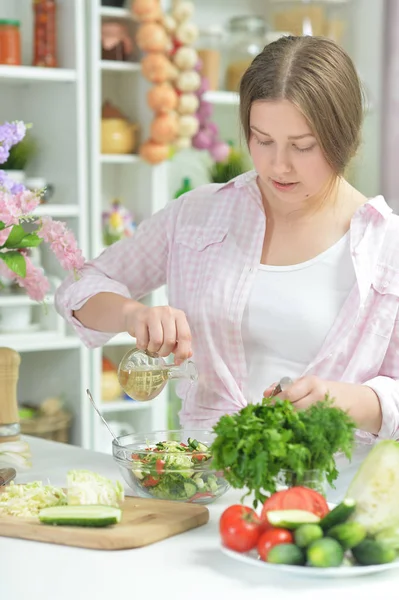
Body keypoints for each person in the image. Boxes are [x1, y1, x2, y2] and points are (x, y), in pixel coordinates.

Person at [55, 35, 399, 442]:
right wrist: (134, 315)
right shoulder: (198, 214)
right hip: (206, 481)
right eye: (262, 140)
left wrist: (347, 401)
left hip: (329, 490)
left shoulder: (386, 248)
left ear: (343, 138)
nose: (278, 165)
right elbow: (78, 289)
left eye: (302, 146)